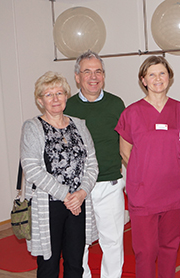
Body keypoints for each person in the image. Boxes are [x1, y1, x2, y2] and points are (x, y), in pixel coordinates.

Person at [115, 56, 180, 277]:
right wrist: (144, 171)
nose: (158, 78)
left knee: (170, 246)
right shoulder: (132, 113)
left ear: (169, 77)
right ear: (143, 80)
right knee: (145, 251)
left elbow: (177, 143)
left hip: (173, 189)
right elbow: (124, 151)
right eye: (152, 74)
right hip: (144, 191)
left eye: (162, 73)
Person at [20, 71, 98, 277]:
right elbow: (32, 168)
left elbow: (92, 163)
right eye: (48, 94)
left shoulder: (79, 125)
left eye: (60, 93)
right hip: (48, 206)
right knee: (49, 265)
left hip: (78, 205)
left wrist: (81, 194)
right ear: (40, 100)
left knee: (75, 263)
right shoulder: (33, 127)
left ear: (66, 96)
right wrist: (65, 195)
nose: (55, 99)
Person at [64, 50, 126, 278]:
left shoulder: (116, 104)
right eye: (87, 72)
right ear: (77, 77)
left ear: (104, 75)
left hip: (109, 183)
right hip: (78, 189)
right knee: (78, 243)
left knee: (112, 241)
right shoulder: (67, 108)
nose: (93, 77)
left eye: (98, 71)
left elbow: (125, 144)